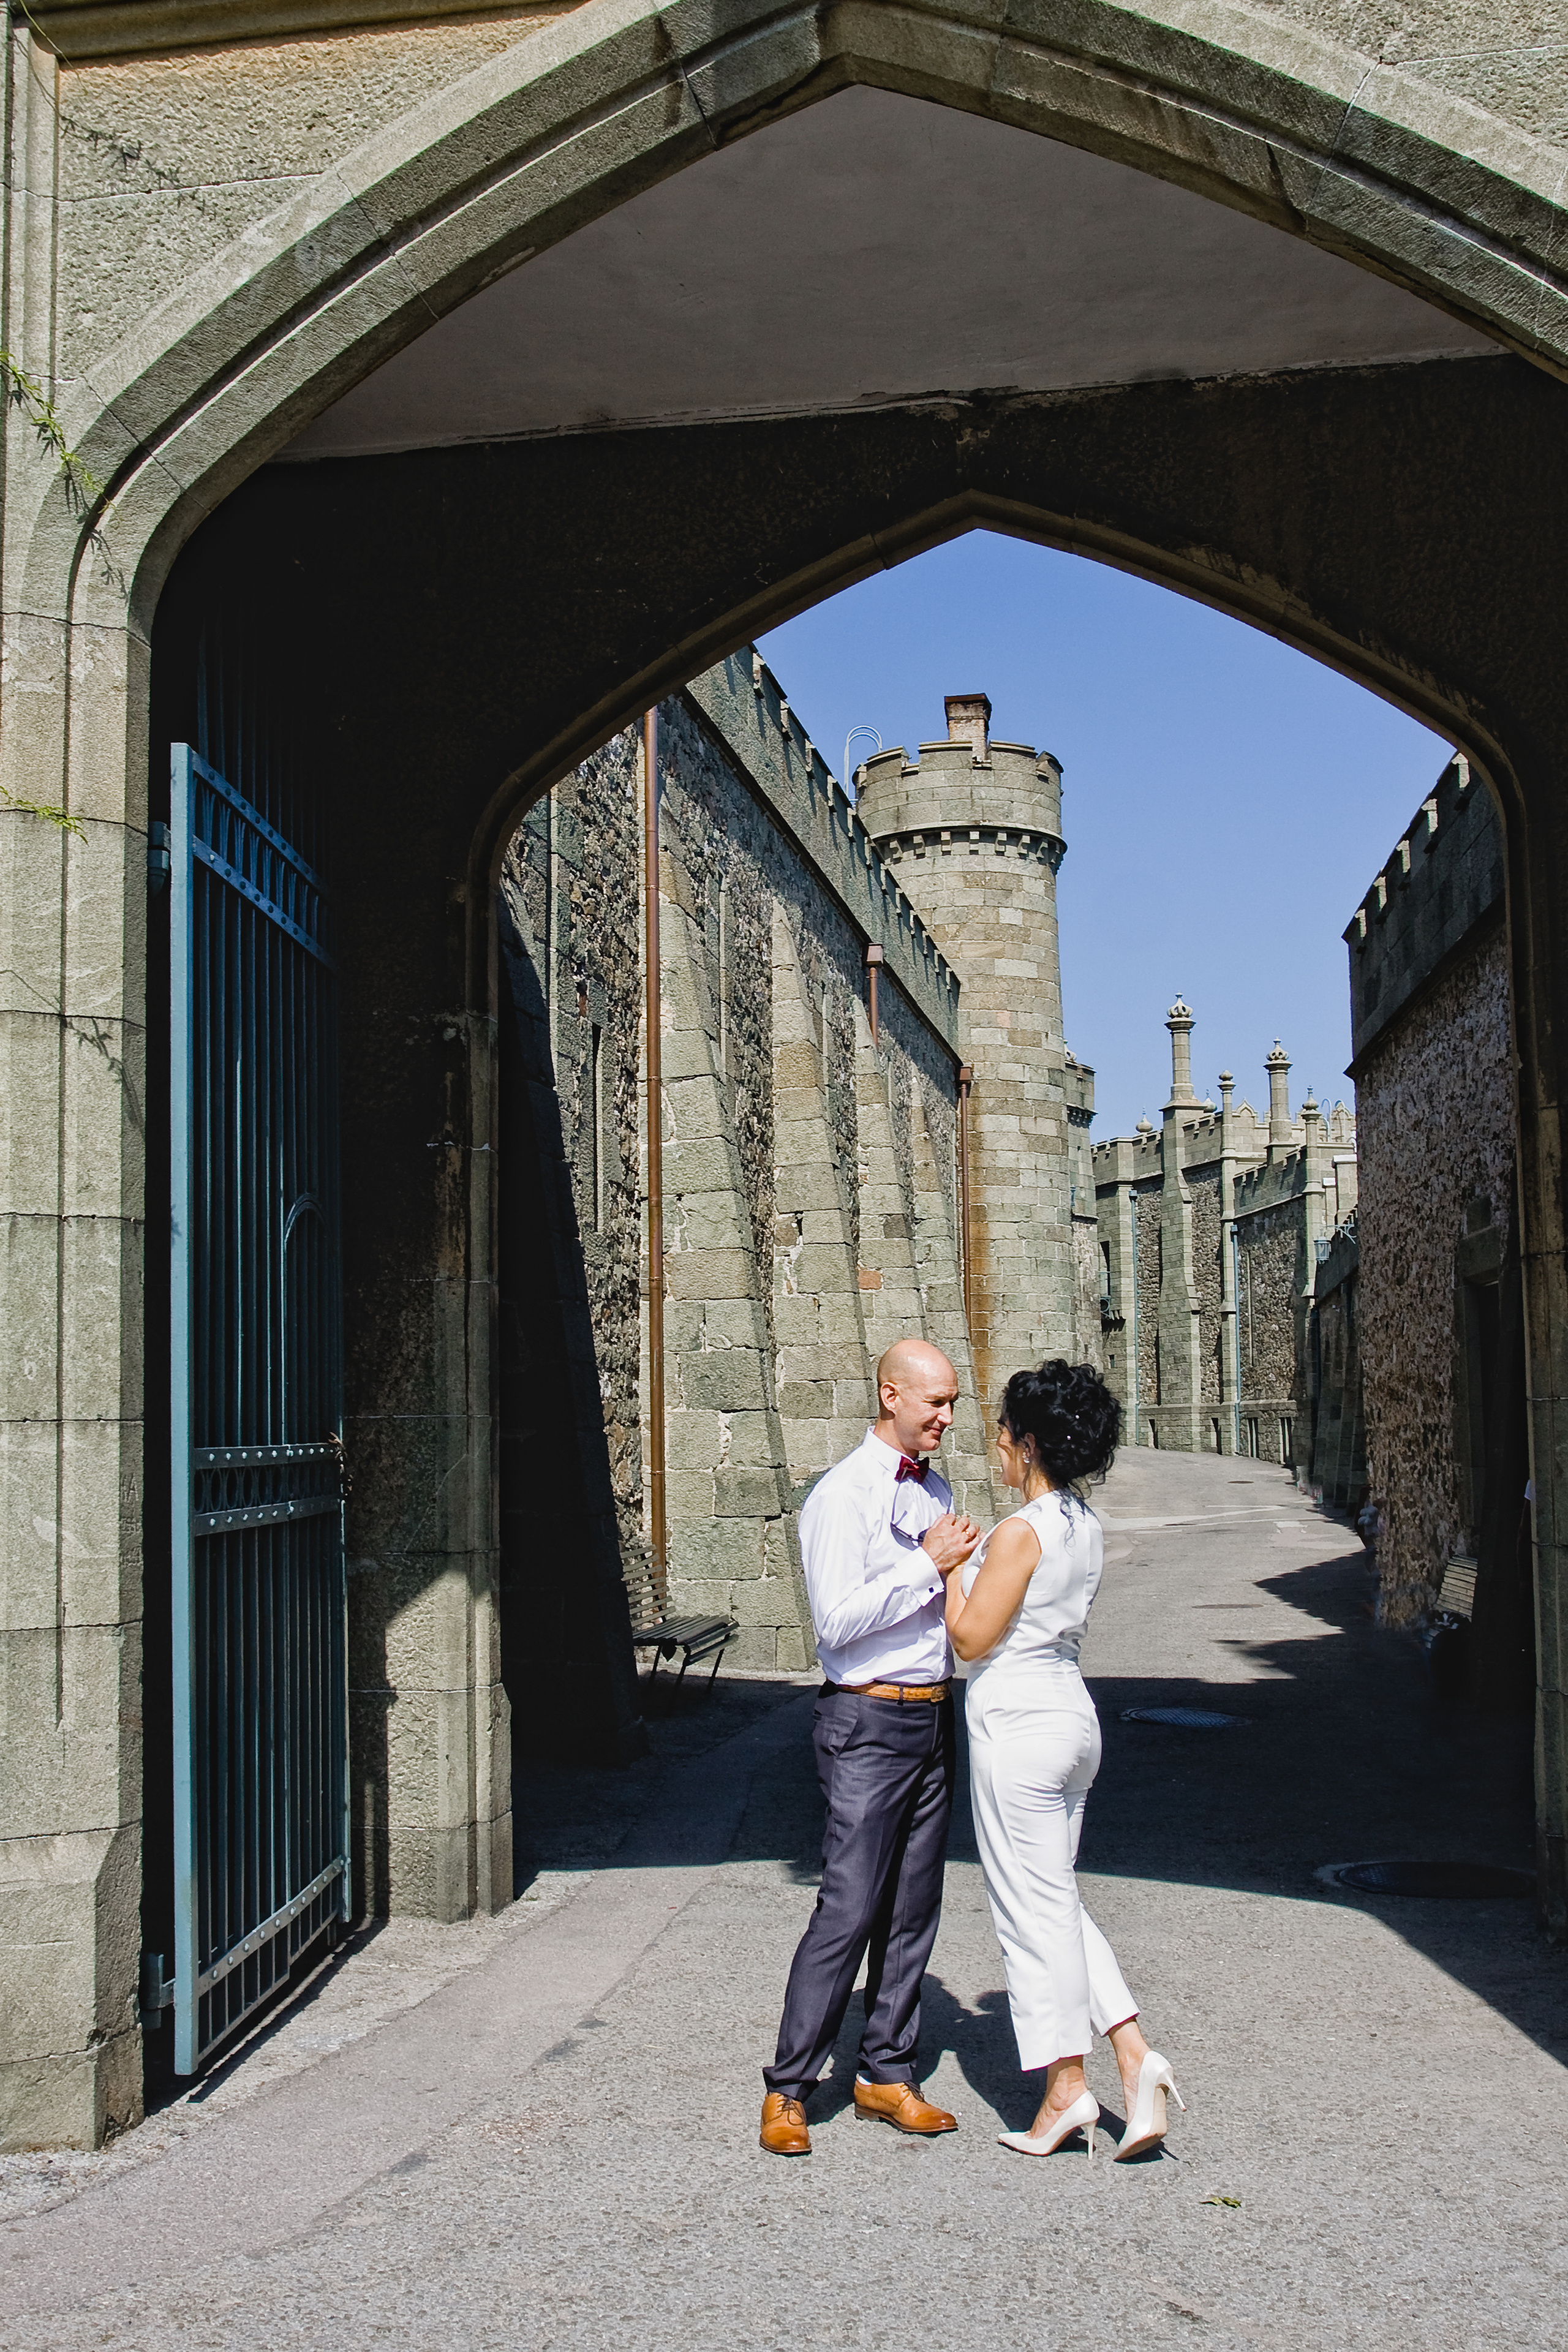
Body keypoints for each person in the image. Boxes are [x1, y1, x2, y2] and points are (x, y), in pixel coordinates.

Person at [946, 1359, 1186, 2163]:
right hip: (1072, 1715)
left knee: (1028, 1913)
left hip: (1019, 1722)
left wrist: (949, 1572)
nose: (996, 1447)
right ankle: (1133, 2055)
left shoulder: (1023, 1531)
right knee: (1058, 1901)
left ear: (1029, 1444)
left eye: (1003, 1435)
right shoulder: (1084, 1523)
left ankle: (1065, 2090)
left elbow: (971, 1639)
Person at [760, 1338, 982, 2157]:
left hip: (932, 1714)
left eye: (952, 1403)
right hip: (865, 1720)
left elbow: (945, 1609)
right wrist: (927, 1565)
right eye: (936, 1402)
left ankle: (887, 2071)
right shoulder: (841, 1496)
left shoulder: (938, 1490)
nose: (948, 1417)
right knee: (850, 1904)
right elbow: (836, 1623)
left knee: (914, 1906)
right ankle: (789, 2087)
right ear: (892, 1395)